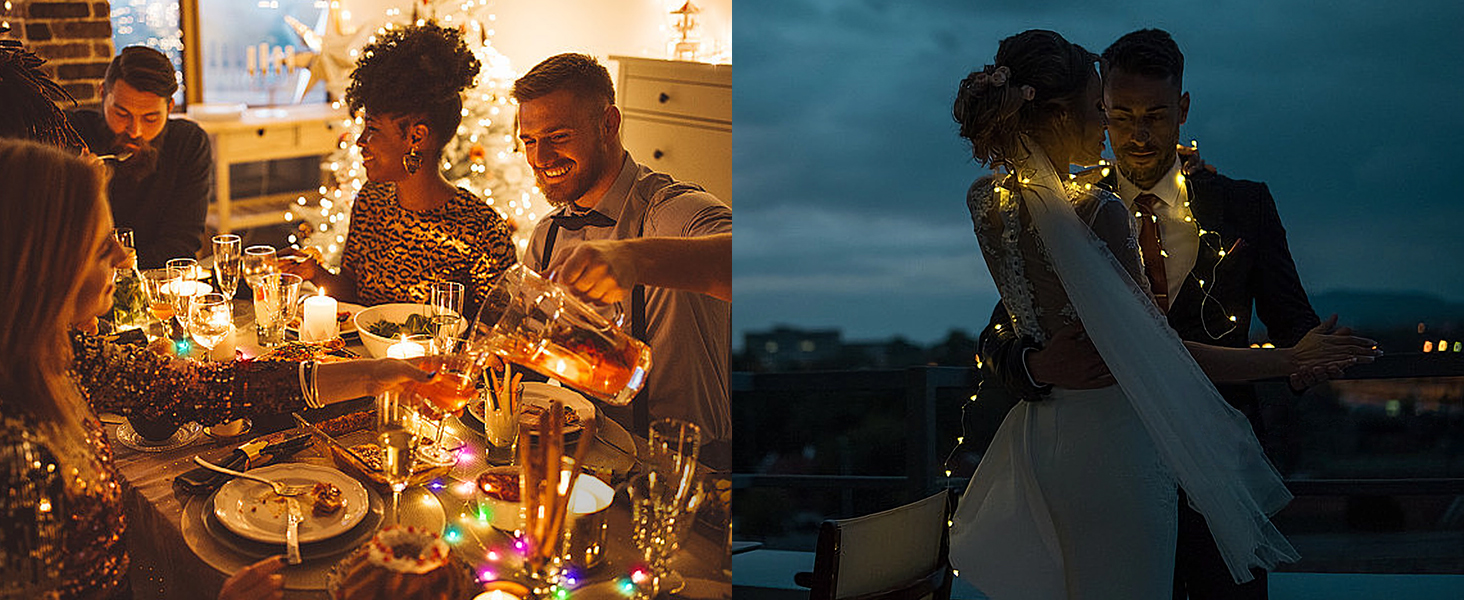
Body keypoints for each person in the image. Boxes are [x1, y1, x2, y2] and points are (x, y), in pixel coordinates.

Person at [945, 30, 1377, 599]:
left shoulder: (1241, 204)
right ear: (1095, 107)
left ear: (1183, 109)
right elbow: (1005, 328)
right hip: (1109, 463)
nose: (1135, 134)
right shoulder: (1068, 206)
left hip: (1213, 471)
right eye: (1118, 114)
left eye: (1154, 115)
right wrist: (1039, 366)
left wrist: (1305, 358)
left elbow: (1291, 318)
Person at [0, 139, 432, 599]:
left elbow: (203, 388)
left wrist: (371, 375)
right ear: (44, 265)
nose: (126, 259)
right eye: (103, 246)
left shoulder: (64, 353)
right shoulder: (15, 448)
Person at [512, 53, 732, 468]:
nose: (539, 158)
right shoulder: (547, 234)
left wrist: (634, 256)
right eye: (529, 140)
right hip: (589, 458)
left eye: (558, 136)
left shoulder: (671, 210)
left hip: (687, 466)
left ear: (608, 124)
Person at [279, 22, 517, 317]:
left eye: (373, 129)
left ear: (416, 137)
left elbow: (492, 335)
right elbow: (355, 295)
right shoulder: (371, 200)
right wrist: (314, 273)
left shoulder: (481, 229)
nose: (361, 142)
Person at [65, 46, 212, 269]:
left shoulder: (188, 143)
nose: (135, 131)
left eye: (151, 118)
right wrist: (79, 189)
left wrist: (123, 266)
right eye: (121, 114)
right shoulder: (69, 135)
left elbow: (181, 246)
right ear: (103, 94)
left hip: (156, 285)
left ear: (169, 107)